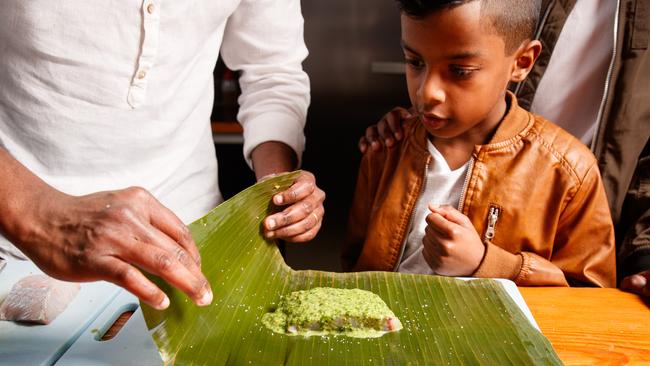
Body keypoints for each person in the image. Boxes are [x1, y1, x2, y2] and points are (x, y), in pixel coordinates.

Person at [0, 0, 325, 310]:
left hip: (191, 246)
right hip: (18, 246)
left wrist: (276, 184)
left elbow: (272, 70)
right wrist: (40, 218)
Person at [360, 0, 649, 296]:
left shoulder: (572, 172)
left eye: (460, 70)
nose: (427, 92)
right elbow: (356, 269)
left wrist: (487, 263)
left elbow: (589, 298)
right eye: (415, 62)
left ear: (522, 62)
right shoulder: (387, 148)